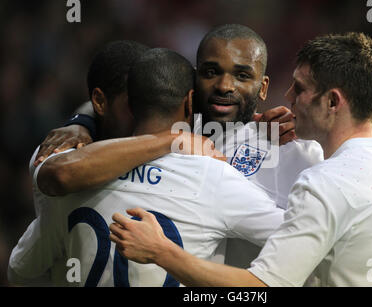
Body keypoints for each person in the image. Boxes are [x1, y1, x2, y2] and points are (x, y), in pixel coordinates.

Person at [109, 32, 372, 287]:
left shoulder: (324, 183)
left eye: (300, 88)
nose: (289, 97)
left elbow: (261, 285)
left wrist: (161, 251)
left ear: (333, 101)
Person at [30, 24, 324, 268]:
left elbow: (317, 240)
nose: (224, 85)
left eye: (242, 75)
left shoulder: (292, 147)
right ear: (193, 82)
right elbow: (127, 103)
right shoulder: (167, 132)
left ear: (263, 87)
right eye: (211, 72)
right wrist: (83, 121)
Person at [8, 47, 284, 287]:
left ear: (131, 104)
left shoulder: (65, 165)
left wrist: (81, 120)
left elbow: (20, 270)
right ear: (189, 102)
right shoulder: (214, 176)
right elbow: (298, 238)